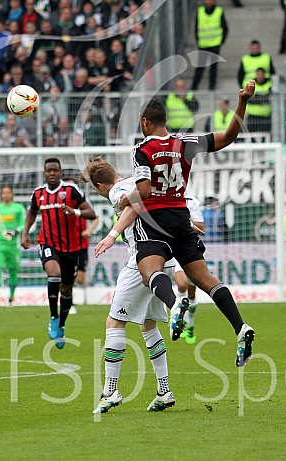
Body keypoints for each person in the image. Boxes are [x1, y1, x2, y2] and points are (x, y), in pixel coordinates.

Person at [98, 81, 257, 367]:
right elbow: (230, 136)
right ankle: (240, 327)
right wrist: (242, 101)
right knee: (206, 279)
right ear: (165, 121)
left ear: (145, 122)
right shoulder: (187, 143)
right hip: (182, 219)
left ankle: (175, 305)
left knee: (150, 272)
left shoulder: (142, 149)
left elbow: (144, 190)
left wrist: (126, 201)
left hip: (156, 223)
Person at [84, 158, 179, 413]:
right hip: (166, 257)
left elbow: (132, 203)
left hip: (142, 262)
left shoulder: (117, 190)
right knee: (147, 324)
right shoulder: (141, 183)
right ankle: (164, 390)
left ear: (100, 185)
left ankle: (111, 390)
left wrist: (111, 235)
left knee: (114, 322)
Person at [21, 158, 97, 349]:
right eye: (49, 170)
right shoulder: (38, 193)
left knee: (66, 290)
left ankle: (61, 324)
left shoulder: (71, 191)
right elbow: (32, 212)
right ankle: (53, 316)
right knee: (53, 274)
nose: (52, 173)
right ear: (44, 173)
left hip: (71, 248)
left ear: (61, 172)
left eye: (56, 170)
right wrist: (25, 233)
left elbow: (91, 213)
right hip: (47, 242)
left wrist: (75, 212)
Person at [62, 170, 99, 310]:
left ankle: (76, 298)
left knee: (80, 278)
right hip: (65, 244)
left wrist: (89, 230)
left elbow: (95, 217)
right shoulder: (58, 202)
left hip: (81, 244)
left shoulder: (82, 201)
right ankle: (69, 303)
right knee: (66, 275)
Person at [0, 186, 26, 307]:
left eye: (8, 193)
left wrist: (15, 231)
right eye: (4, 193)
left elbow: (24, 224)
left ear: (12, 194)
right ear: (1, 195)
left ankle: (11, 299)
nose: (6, 195)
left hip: (13, 245)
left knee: (13, 271)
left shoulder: (18, 208)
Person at [175, 194, 204, 345]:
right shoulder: (160, 198)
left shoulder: (191, 201)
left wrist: (180, 220)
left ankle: (190, 323)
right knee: (182, 285)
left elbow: (201, 228)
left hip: (189, 249)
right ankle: (179, 319)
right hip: (170, 249)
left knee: (191, 293)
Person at [191, 0, 228, 91]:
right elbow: (196, 27)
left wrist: (221, 41)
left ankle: (212, 85)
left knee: (213, 67)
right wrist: (198, 41)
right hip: (203, 44)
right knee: (200, 67)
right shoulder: (200, 11)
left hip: (215, 44)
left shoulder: (219, 11)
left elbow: (225, 27)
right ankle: (194, 86)